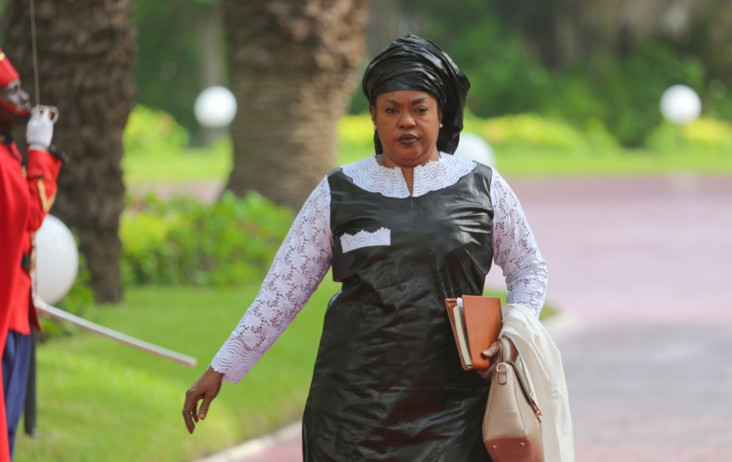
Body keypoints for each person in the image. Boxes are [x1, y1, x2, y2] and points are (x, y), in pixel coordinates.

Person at [183, 35, 550, 460]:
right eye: (391, 110)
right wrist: (222, 368)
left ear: (441, 113)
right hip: (352, 411)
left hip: (458, 404)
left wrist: (513, 334)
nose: (406, 122)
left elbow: (528, 269)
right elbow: (282, 291)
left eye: (419, 108)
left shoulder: (483, 187)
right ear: (373, 116)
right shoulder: (338, 191)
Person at [0, 48, 64, 461]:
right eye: (13, 91)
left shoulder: (7, 151)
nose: (24, 99)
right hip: (8, 312)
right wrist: (40, 151)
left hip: (18, 303)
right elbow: (32, 212)